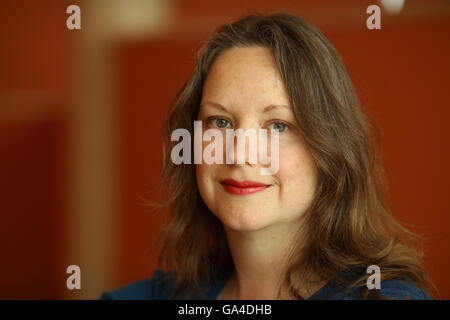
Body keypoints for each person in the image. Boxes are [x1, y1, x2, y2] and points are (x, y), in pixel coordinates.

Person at [100, 12, 436, 300]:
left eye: (277, 125)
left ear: (329, 147)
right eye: (220, 121)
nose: (240, 153)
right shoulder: (168, 294)